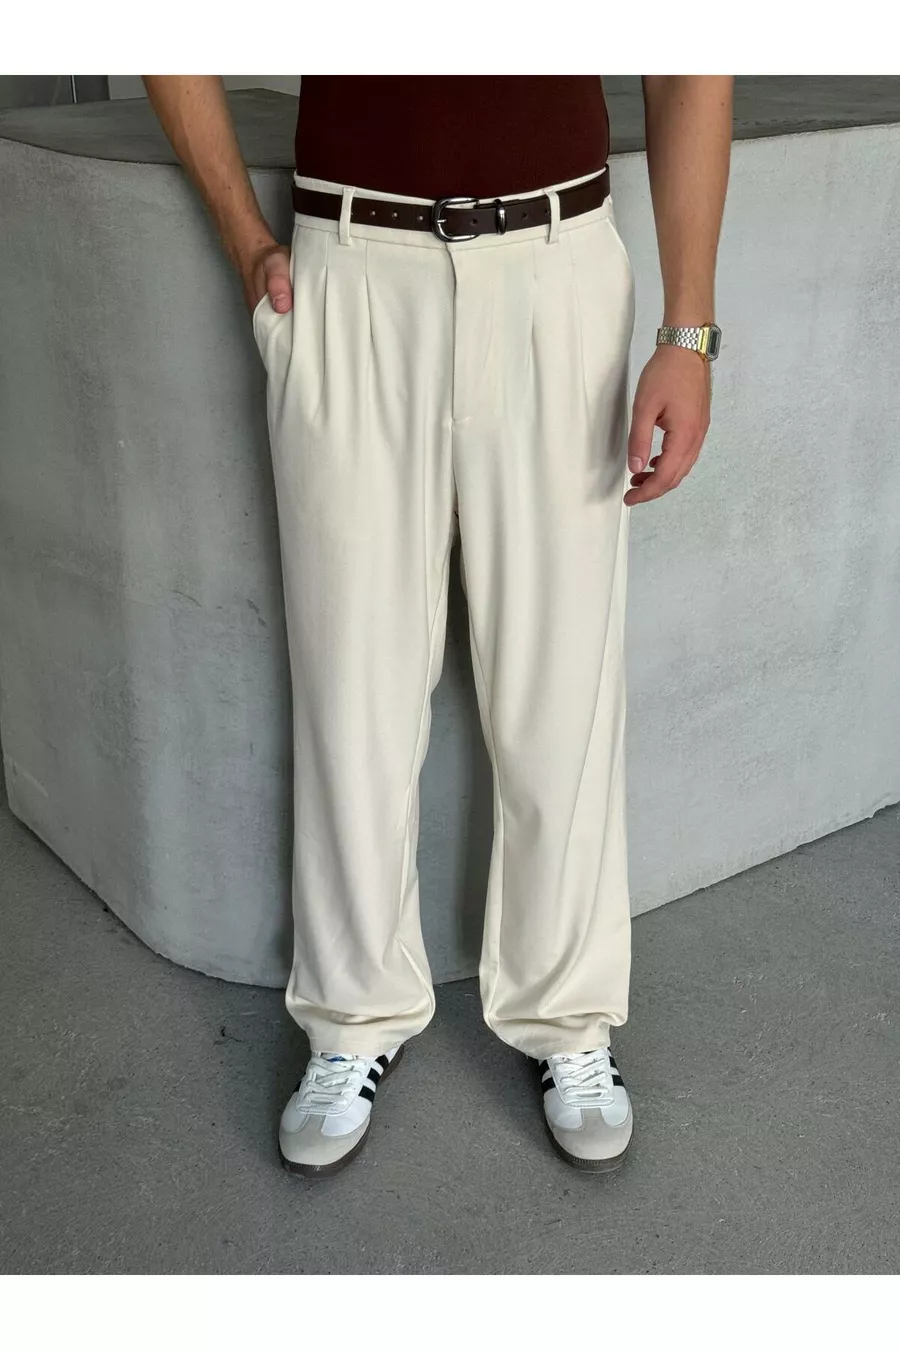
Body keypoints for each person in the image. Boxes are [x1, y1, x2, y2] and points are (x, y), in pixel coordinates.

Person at [144, 74, 732, 1178]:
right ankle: (350, 1018)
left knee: (561, 690)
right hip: (351, 269)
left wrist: (689, 333)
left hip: (558, 265)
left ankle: (568, 1018)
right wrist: (242, 238)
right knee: (351, 688)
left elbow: (691, 63)